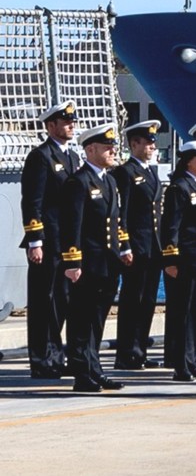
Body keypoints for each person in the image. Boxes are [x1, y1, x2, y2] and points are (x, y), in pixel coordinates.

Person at [58, 122, 132, 393]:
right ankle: (81, 373)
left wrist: (124, 249)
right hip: (87, 264)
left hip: (108, 264)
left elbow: (116, 221)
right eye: (107, 147)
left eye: (113, 146)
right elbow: (72, 226)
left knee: (97, 320)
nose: (113, 151)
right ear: (90, 149)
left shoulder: (110, 180)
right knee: (81, 320)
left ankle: (95, 368)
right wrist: (72, 262)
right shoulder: (78, 182)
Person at [19, 99, 82, 380]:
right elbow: (32, 201)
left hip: (66, 242)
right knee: (44, 301)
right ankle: (41, 358)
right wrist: (35, 240)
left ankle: (56, 355)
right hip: (47, 242)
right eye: (65, 122)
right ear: (50, 126)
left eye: (72, 122)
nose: (71, 126)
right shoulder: (41, 157)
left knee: (62, 300)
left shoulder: (73, 157)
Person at [111, 119, 165, 370]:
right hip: (136, 247)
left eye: (154, 142)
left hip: (153, 247)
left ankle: (140, 350)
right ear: (134, 144)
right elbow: (121, 213)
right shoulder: (126, 172)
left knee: (148, 302)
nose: (153, 146)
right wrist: (124, 245)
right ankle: (126, 353)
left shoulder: (151, 172)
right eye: (148, 142)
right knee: (133, 300)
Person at [159, 139, 196, 381]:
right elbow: (171, 227)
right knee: (184, 313)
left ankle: (193, 359)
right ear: (190, 161)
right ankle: (181, 364)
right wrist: (170, 259)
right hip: (185, 259)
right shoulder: (179, 188)